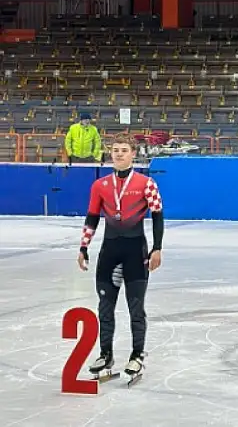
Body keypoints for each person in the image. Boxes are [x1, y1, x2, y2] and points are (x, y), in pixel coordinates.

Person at [77, 133, 164, 383]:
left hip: (136, 252)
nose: (118, 154)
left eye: (124, 150)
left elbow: (157, 216)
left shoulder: (146, 183)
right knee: (105, 308)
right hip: (109, 252)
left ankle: (137, 354)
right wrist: (84, 247)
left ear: (133, 153)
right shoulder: (100, 185)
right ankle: (106, 354)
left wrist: (157, 247)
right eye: (115, 150)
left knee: (136, 308)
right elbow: (92, 216)